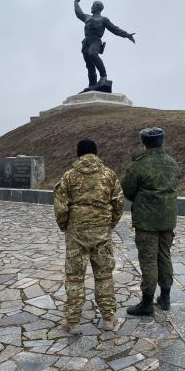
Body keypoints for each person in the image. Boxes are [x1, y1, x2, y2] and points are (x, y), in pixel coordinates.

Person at [54, 139, 125, 334]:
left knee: (75, 278)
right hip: (102, 234)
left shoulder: (69, 176)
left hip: (76, 235)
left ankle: (73, 322)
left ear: (79, 154)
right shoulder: (108, 175)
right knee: (104, 276)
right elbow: (119, 203)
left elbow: (60, 207)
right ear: (95, 153)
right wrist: (109, 224)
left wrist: (65, 227)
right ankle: (109, 319)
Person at [122, 127, 181, 316]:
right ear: (162, 142)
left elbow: (128, 190)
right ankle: (165, 298)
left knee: (148, 261)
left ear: (144, 144)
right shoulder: (172, 164)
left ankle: (147, 303)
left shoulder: (139, 165)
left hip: (147, 222)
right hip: (167, 220)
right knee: (164, 257)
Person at [74, 0, 136, 90]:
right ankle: (92, 84)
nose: (91, 7)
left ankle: (103, 76)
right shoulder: (87, 17)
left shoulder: (103, 19)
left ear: (98, 7)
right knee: (89, 65)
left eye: (93, 5)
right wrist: (76, 2)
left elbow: (115, 29)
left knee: (92, 54)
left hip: (96, 40)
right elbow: (79, 13)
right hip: (86, 41)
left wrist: (127, 35)